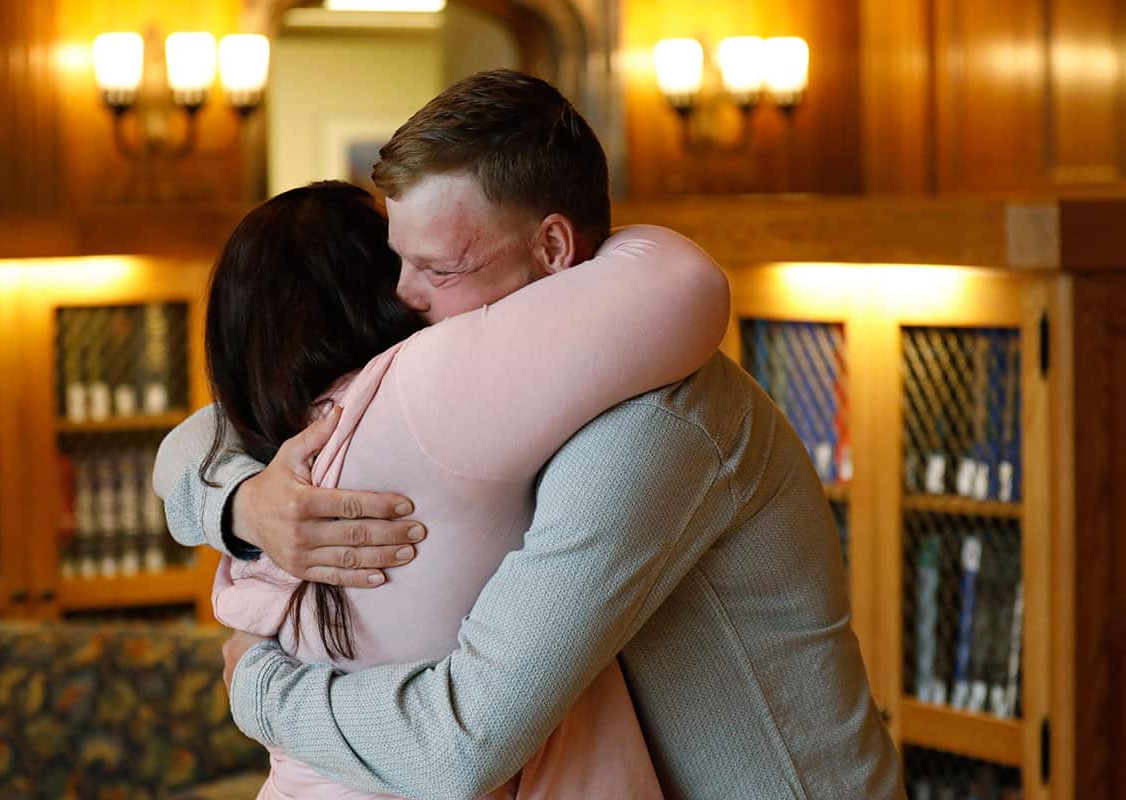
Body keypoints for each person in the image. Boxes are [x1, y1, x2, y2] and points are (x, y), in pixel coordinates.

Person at [157, 70, 902, 799]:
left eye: (437, 268)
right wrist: (244, 504)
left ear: (552, 250)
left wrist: (258, 686)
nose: (403, 300)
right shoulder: (529, 384)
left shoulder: (652, 424)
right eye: (398, 262)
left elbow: (461, 745)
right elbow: (227, 421)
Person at [177, 178, 729, 799]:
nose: (413, 290)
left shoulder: (270, 450)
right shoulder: (423, 394)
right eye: (402, 262)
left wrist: (237, 507)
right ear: (368, 291)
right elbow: (685, 281)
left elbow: (184, 447)